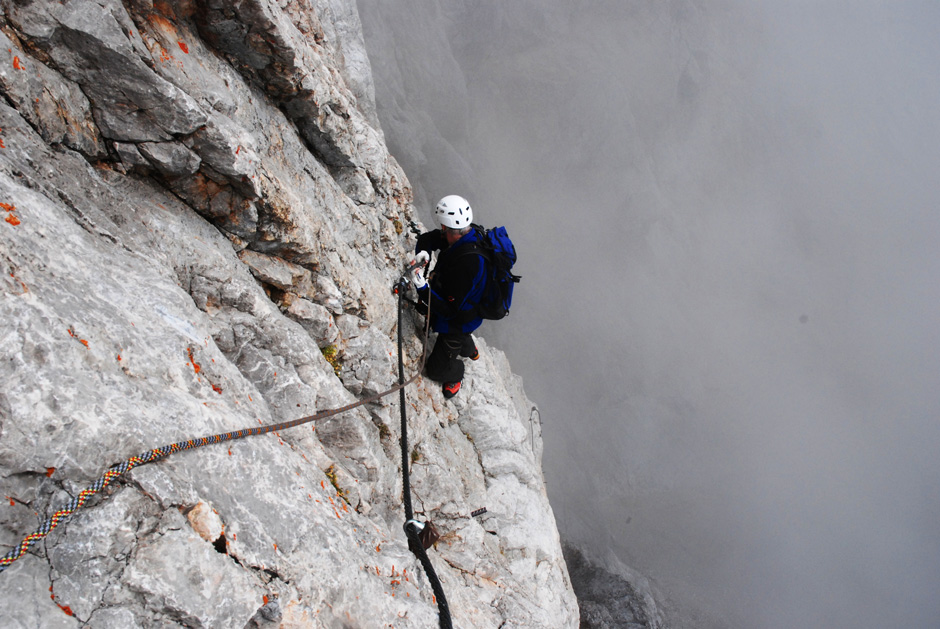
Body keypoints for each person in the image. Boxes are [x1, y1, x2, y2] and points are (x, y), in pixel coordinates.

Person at [408, 195, 485, 399]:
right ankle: (469, 348)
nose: (441, 230)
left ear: (453, 230)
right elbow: (428, 239)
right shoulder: (465, 235)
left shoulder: (469, 263)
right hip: (461, 306)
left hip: (460, 319)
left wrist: (423, 289)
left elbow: (452, 311)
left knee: (435, 371)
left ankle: (457, 372)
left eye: (444, 228)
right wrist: (423, 252)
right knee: (436, 314)